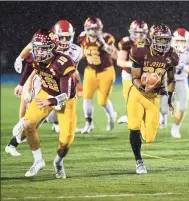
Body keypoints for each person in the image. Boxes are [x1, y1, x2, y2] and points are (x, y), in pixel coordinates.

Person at [5, 20, 83, 156]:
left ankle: (20, 136)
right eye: (61, 36)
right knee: (29, 102)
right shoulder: (46, 45)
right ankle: (20, 127)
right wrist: (22, 80)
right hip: (43, 80)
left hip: (60, 84)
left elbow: (72, 72)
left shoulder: (76, 51)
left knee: (50, 115)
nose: (64, 40)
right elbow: (31, 50)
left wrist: (78, 86)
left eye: (67, 37)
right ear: (55, 36)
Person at [22, 28, 78, 178]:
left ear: (53, 48)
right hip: (46, 92)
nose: (38, 52)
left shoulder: (64, 63)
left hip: (66, 100)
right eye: (37, 48)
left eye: (43, 49)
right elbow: (29, 70)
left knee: (65, 143)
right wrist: (23, 87)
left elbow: (65, 95)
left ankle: (58, 162)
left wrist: (50, 101)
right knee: (28, 124)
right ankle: (38, 160)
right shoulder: (35, 59)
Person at [128, 24, 179, 174]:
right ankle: (139, 161)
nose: (163, 43)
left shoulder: (171, 55)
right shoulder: (140, 50)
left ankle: (133, 120)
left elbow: (171, 80)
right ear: (153, 39)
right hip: (138, 94)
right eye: (160, 40)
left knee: (149, 138)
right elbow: (134, 78)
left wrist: (169, 99)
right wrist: (144, 87)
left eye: (166, 40)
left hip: (153, 97)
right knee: (134, 127)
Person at [77, 17, 118, 133]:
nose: (94, 31)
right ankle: (88, 123)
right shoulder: (82, 38)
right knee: (87, 97)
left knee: (102, 101)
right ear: (87, 29)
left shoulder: (106, 38)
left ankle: (111, 116)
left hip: (106, 72)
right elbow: (82, 53)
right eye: (92, 29)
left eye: (97, 29)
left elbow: (115, 54)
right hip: (90, 70)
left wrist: (104, 45)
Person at [116, 20, 148, 124]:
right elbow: (120, 61)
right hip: (129, 74)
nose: (139, 35)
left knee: (145, 96)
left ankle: (148, 117)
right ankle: (132, 117)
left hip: (144, 74)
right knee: (129, 98)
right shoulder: (126, 43)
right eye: (136, 33)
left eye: (141, 33)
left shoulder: (150, 43)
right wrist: (132, 64)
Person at [170, 28, 189, 138]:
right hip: (167, 80)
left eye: (183, 41)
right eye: (178, 40)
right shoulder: (166, 50)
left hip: (181, 81)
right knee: (162, 107)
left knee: (182, 107)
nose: (180, 43)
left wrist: (185, 67)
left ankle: (176, 128)